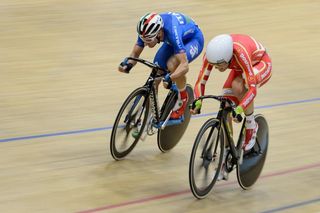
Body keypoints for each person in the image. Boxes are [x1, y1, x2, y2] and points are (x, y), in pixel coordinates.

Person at [191, 34, 272, 152]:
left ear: (228, 57)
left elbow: (252, 90)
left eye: (219, 65)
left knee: (238, 86)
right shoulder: (211, 56)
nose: (217, 68)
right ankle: (228, 150)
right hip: (239, 67)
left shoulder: (240, 53)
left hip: (260, 64)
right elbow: (200, 82)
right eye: (214, 65)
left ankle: (251, 125)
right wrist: (198, 101)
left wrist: (239, 109)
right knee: (225, 103)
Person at [118, 12, 204, 120]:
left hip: (193, 39)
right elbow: (135, 54)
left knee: (172, 64)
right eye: (144, 41)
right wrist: (128, 64)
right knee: (156, 71)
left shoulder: (172, 32)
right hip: (171, 41)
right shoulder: (146, 30)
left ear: (159, 33)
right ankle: (151, 115)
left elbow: (184, 65)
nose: (147, 44)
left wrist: (171, 77)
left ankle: (183, 98)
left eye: (149, 40)